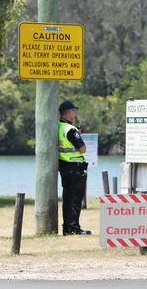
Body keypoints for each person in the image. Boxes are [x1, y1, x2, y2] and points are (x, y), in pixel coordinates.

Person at [58, 100, 91, 235]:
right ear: (69, 112)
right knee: (75, 199)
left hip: (65, 167)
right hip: (75, 168)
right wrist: (77, 128)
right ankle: (74, 228)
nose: (75, 113)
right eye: (73, 111)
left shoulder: (59, 126)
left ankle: (67, 227)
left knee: (67, 198)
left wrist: (78, 126)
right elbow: (82, 149)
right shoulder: (70, 130)